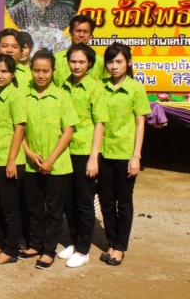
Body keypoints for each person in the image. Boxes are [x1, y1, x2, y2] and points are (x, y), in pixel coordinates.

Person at [21, 49, 77, 270]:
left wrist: (51, 159)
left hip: (57, 164)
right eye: (36, 70)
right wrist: (28, 152)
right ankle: (35, 244)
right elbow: (18, 128)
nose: (41, 75)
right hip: (31, 162)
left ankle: (48, 250)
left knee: (53, 210)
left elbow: (68, 131)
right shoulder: (24, 95)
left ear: (53, 71)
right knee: (33, 206)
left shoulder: (62, 96)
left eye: (45, 71)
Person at [98, 43, 150, 266]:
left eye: (118, 61)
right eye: (110, 62)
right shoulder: (100, 86)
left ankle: (120, 247)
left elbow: (140, 123)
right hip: (103, 152)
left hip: (125, 154)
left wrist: (136, 156)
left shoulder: (136, 88)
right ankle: (111, 242)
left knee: (124, 202)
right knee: (106, 201)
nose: (114, 66)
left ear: (128, 63)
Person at [58, 44, 108, 268]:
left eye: (81, 62)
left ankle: (83, 249)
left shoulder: (95, 88)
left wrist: (94, 157)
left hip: (84, 151)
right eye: (73, 61)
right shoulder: (63, 85)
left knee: (84, 202)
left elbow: (100, 123)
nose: (76, 66)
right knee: (68, 201)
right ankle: (74, 241)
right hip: (65, 150)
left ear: (89, 64)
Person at [0, 54, 26, 265]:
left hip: (9, 160)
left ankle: (11, 249)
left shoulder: (16, 96)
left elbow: (20, 128)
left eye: (4, 71)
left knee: (10, 208)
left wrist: (11, 161)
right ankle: (0, 242)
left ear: (13, 74)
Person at [54, 15, 105, 86]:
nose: (81, 35)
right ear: (70, 32)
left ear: (91, 34)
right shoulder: (56, 59)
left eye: (85, 32)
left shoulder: (100, 62)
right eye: (78, 31)